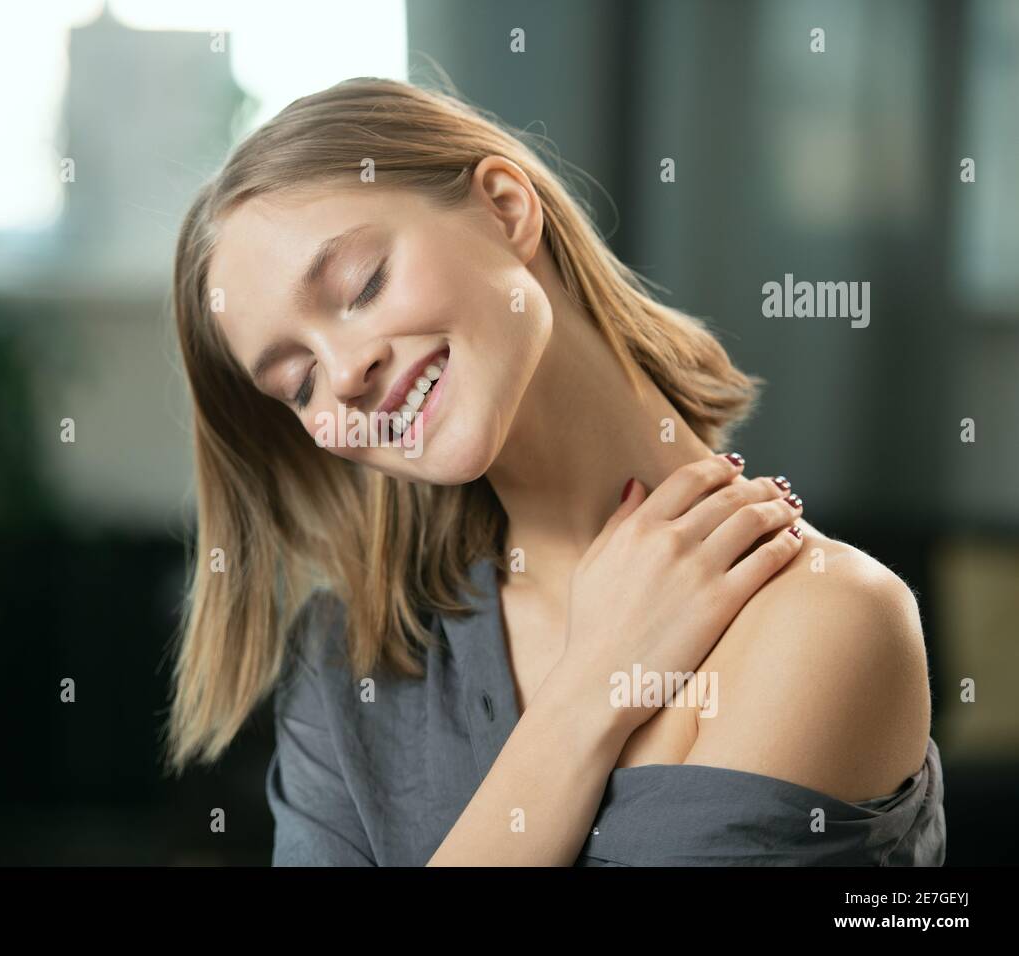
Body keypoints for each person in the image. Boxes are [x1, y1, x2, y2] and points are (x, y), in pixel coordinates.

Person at [161, 77, 945, 866]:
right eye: (299, 384)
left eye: (362, 283)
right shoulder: (346, 663)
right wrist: (591, 689)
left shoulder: (826, 620)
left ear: (506, 207)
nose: (345, 373)